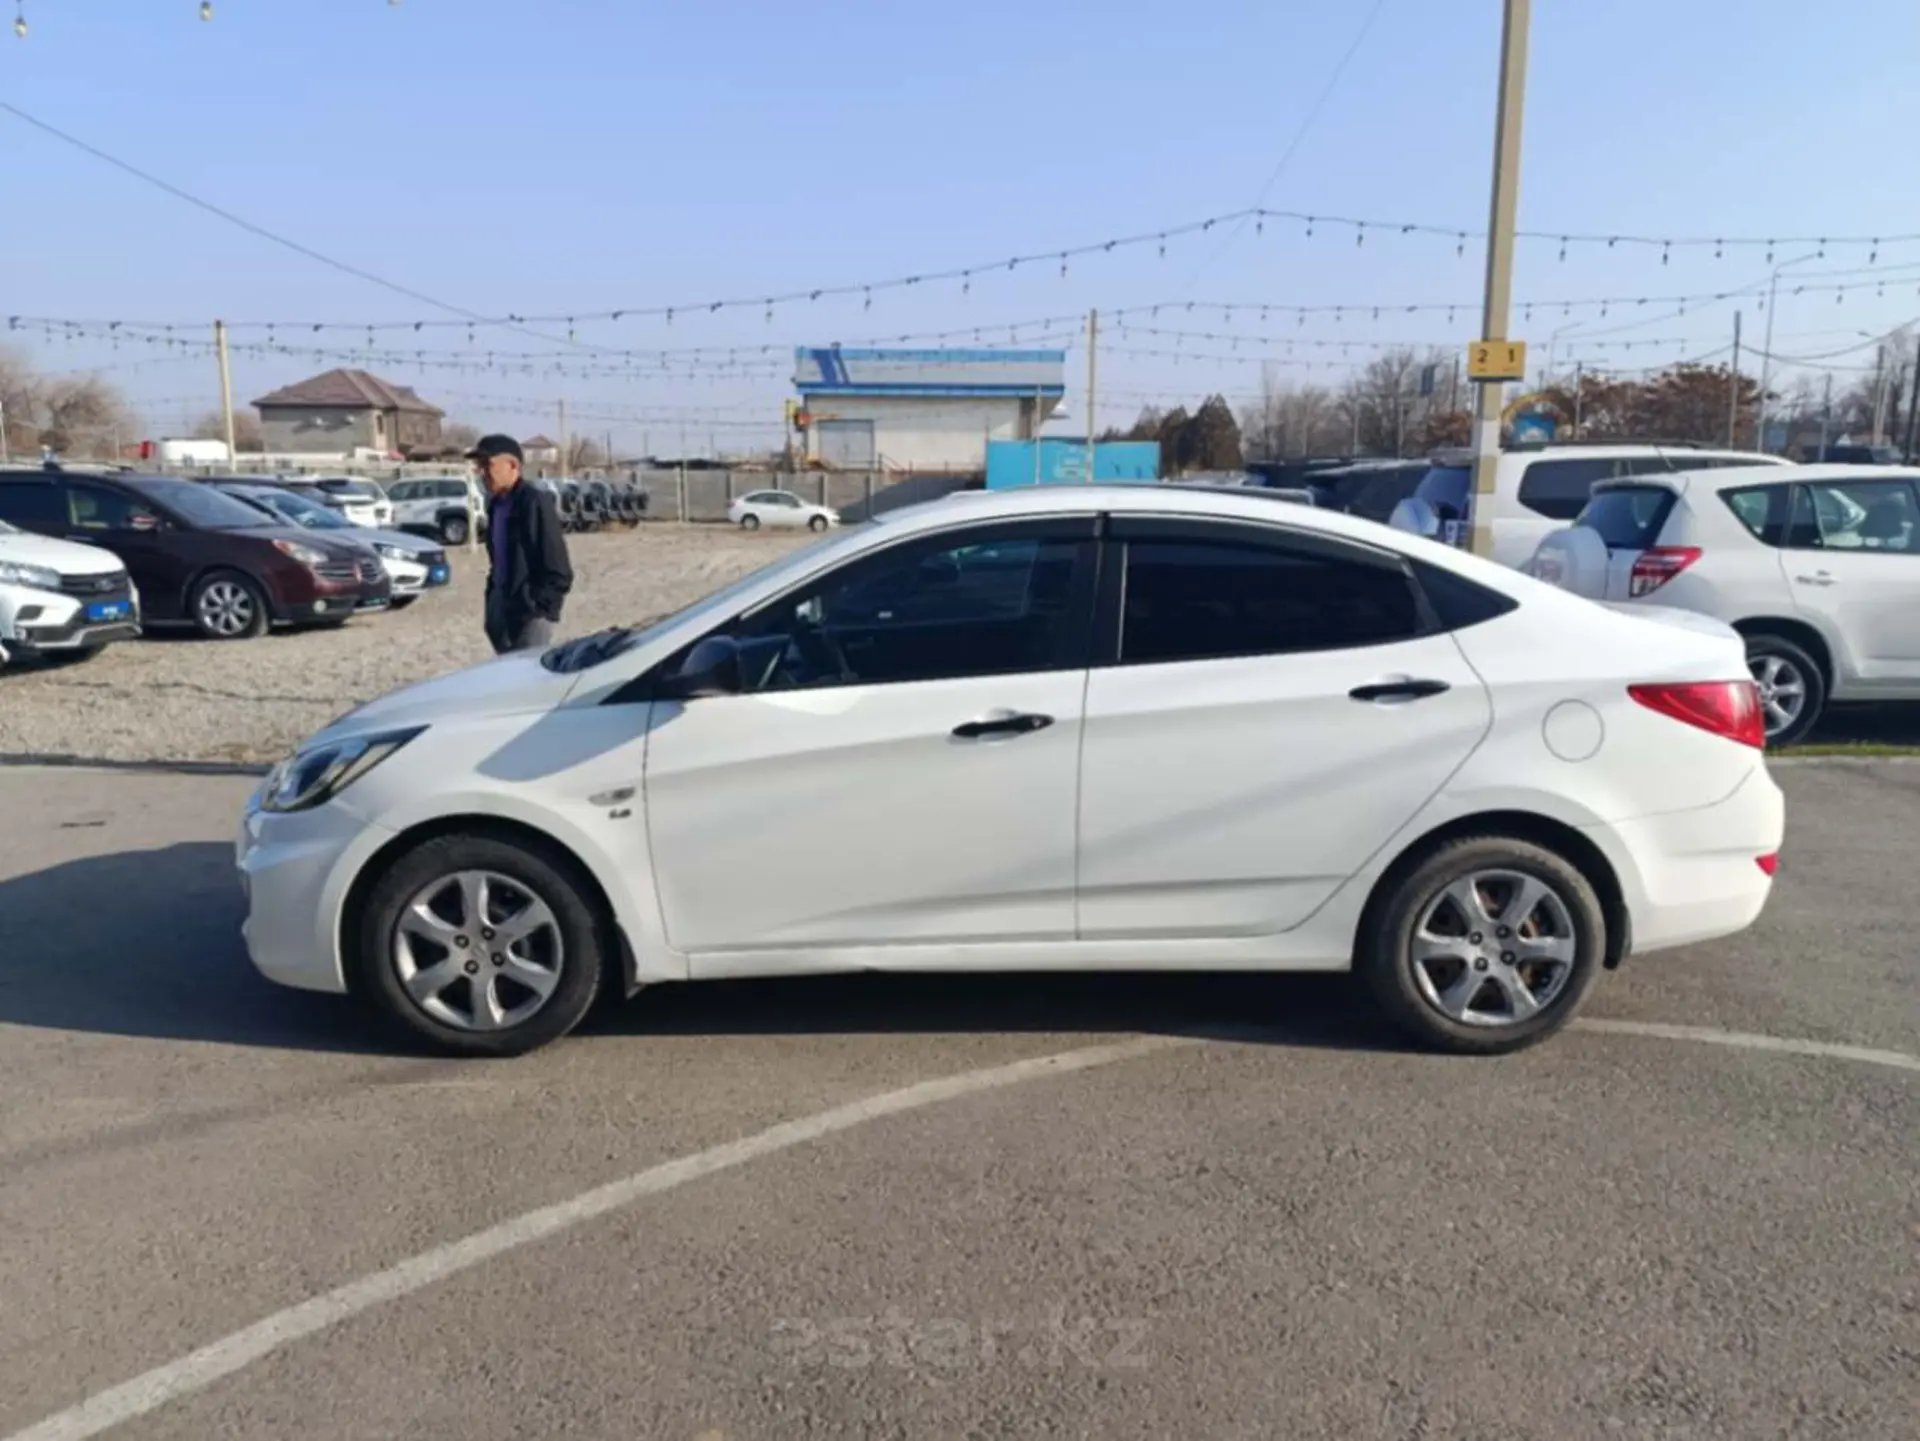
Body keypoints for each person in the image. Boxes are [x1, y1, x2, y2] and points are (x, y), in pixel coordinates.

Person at [469, 433, 573, 654]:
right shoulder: (496, 506)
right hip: (502, 606)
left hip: (531, 613)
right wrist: (493, 599)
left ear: (513, 466)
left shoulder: (534, 502)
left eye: (488, 465)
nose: (483, 473)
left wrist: (537, 606)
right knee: (506, 670)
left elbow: (558, 568)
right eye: (480, 467)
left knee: (527, 672)